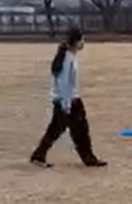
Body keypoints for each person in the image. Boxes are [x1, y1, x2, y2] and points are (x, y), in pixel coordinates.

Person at [30, 28, 107, 168]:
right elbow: (64, 83)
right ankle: (39, 156)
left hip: (68, 100)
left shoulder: (69, 56)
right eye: (82, 40)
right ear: (76, 42)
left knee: (72, 130)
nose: (83, 43)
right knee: (67, 131)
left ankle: (88, 158)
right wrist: (66, 104)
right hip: (68, 101)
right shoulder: (67, 58)